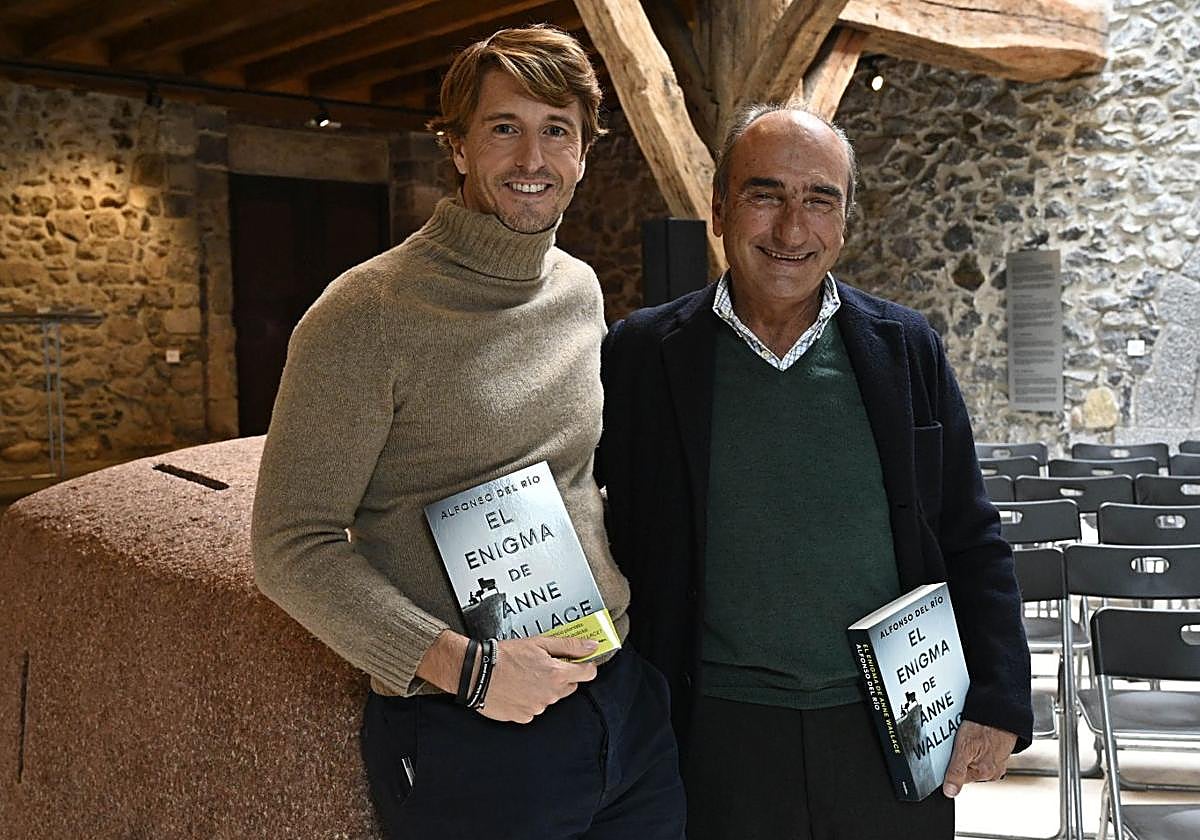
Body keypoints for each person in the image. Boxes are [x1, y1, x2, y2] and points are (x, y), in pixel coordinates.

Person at [251, 25, 684, 840]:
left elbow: (578, 479)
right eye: (503, 128)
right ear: (456, 146)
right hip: (469, 731)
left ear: (584, 153)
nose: (532, 158)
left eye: (557, 131)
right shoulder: (365, 313)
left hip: (620, 705)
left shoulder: (580, 291)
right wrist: (468, 670)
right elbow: (289, 544)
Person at [596, 103, 1033, 839]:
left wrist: (998, 697)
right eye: (765, 195)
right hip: (708, 735)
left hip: (893, 729)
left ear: (845, 221)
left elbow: (969, 534)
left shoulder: (906, 349)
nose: (792, 229)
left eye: (819, 200)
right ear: (718, 210)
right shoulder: (640, 354)